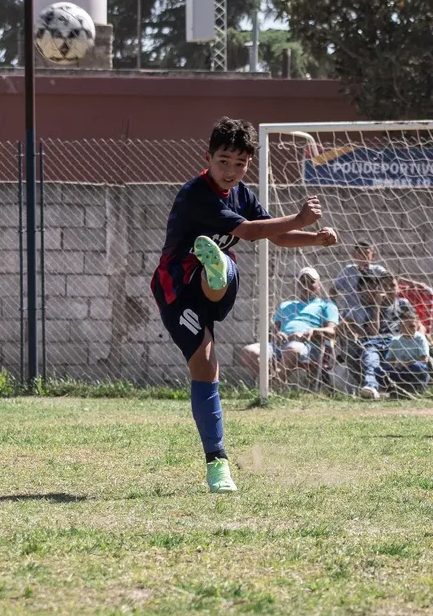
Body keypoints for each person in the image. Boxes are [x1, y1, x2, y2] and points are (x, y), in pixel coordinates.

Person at [150, 117, 338, 494]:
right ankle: (217, 465)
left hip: (210, 288)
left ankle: (215, 270)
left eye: (240, 163)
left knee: (223, 267)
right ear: (208, 157)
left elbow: (276, 234)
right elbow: (251, 232)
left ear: (248, 163)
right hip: (175, 290)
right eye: (224, 161)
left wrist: (314, 240)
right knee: (205, 368)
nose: (231, 171)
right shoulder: (196, 194)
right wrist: (301, 216)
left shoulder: (242, 195)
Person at [240, 266, 339, 383]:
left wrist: (312, 332)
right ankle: (271, 383)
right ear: (298, 285)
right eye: (303, 282)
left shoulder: (326, 305)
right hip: (279, 345)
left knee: (292, 348)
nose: (306, 285)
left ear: (319, 284)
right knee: (248, 351)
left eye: (311, 282)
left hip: (308, 346)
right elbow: (273, 330)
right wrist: (277, 334)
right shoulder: (285, 305)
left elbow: (332, 332)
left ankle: (272, 387)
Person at [347, 270, 416, 400]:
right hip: (377, 341)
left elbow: (417, 325)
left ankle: (405, 387)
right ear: (380, 288)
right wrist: (377, 306)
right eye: (385, 286)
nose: (389, 289)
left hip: (400, 340)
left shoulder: (402, 304)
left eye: (392, 285)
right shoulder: (370, 307)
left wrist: (419, 337)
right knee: (370, 354)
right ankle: (371, 388)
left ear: (397, 287)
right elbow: (374, 331)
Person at [382, 302, 431, 396]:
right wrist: (395, 364)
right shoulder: (396, 340)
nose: (408, 329)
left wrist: (407, 363)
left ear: (417, 326)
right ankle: (396, 389)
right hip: (401, 369)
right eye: (404, 326)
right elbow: (390, 359)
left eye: (412, 326)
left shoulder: (420, 338)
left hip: (416, 368)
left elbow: (424, 359)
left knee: (418, 367)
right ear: (400, 326)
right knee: (384, 370)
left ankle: (418, 388)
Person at [330, 242, 387, 313]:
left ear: (373, 255)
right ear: (354, 256)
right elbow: (334, 288)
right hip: (350, 314)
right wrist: (333, 305)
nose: (363, 255)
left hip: (373, 313)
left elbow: (391, 281)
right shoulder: (348, 271)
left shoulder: (378, 270)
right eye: (360, 253)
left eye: (366, 253)